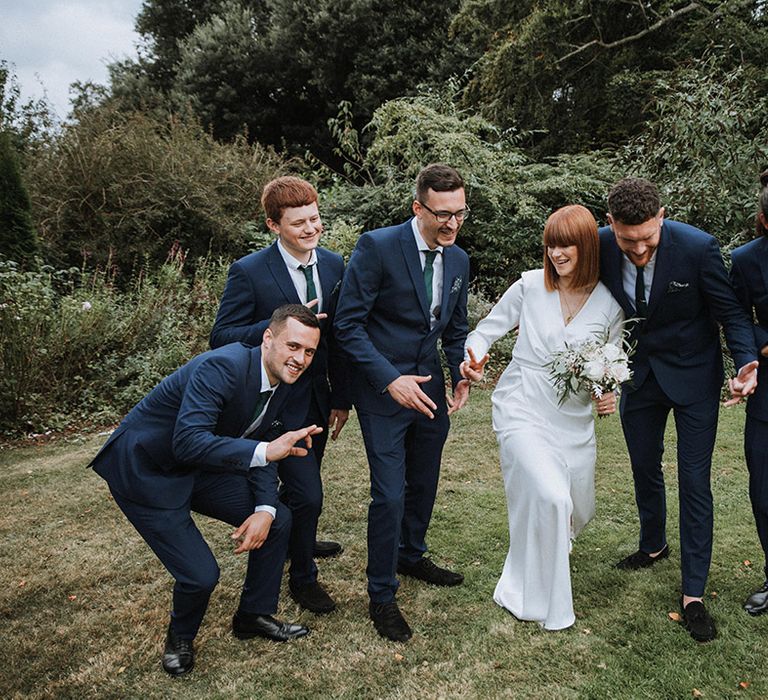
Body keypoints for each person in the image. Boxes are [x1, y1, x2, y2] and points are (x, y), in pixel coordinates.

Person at [90, 305, 323, 676]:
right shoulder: (221, 366)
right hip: (149, 469)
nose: (300, 359)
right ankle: (180, 638)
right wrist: (265, 451)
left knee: (279, 518)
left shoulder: (283, 382)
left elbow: (265, 443)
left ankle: (253, 615)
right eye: (293, 346)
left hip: (199, 465)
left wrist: (264, 507)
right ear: (268, 338)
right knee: (201, 574)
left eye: (309, 352)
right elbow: (189, 442)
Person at [598, 177, 759, 642]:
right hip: (639, 378)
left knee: (694, 479)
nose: (640, 250)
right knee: (644, 467)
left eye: (648, 239)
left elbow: (731, 313)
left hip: (694, 379)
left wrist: (746, 360)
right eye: (630, 241)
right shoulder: (601, 243)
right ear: (611, 225)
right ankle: (653, 545)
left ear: (662, 218)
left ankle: (693, 592)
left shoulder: (699, 247)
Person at [462, 204, 622, 630]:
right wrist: (473, 356)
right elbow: (484, 331)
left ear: (587, 246)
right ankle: (541, 601)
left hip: (574, 420)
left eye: (566, 243)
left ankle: (551, 545)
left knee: (576, 508)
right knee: (551, 497)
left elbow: (614, 362)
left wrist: (608, 393)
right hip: (522, 404)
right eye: (550, 244)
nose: (556, 252)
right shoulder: (531, 286)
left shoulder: (610, 302)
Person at [334, 163, 471, 642]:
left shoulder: (459, 260)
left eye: (459, 213)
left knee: (424, 481)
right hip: (383, 390)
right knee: (389, 493)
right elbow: (346, 326)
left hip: (430, 388)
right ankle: (382, 595)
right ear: (418, 208)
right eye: (442, 214)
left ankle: (411, 555)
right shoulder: (377, 246)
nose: (451, 224)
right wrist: (390, 380)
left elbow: (453, 329)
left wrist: (461, 372)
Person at [210, 176, 350, 615]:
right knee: (308, 495)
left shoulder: (333, 264)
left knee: (305, 490)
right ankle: (303, 578)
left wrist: (340, 397)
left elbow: (339, 338)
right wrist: (282, 322)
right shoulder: (248, 271)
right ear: (273, 225)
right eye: (298, 223)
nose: (311, 230)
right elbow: (221, 338)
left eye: (315, 219)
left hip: (315, 399)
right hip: (270, 403)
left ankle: (298, 541)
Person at [729, 169, 768, 617]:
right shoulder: (746, 259)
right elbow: (736, 316)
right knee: (764, 492)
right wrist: (758, 345)